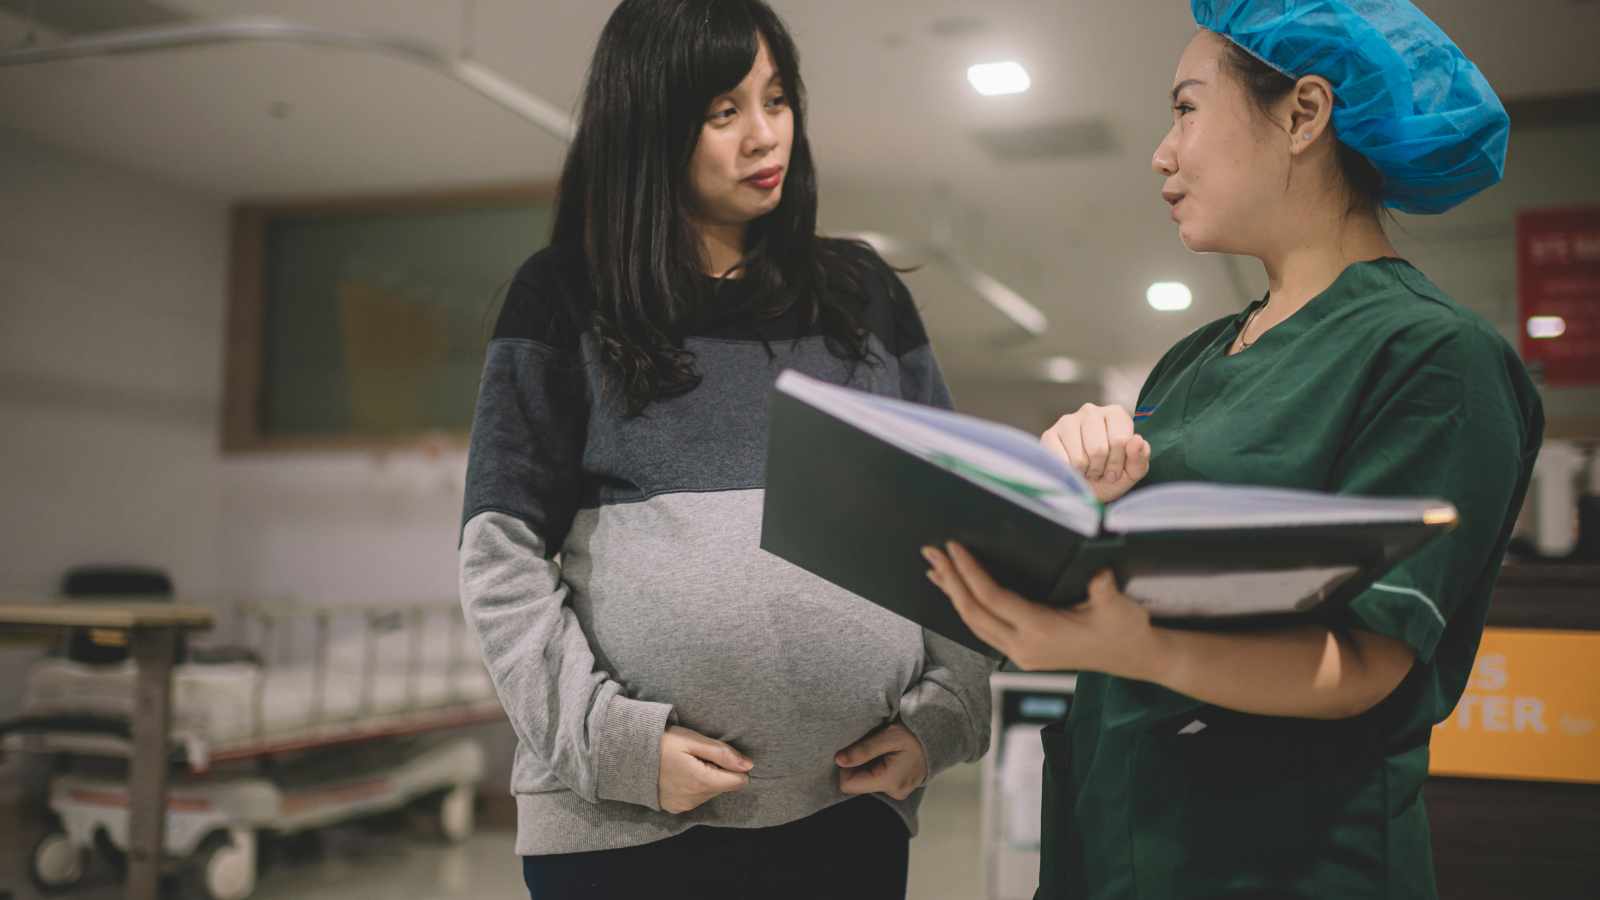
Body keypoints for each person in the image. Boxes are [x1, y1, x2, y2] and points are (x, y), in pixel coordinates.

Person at [922, 2, 1542, 897]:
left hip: (1287, 863)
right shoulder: (1195, 357)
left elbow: (1369, 660)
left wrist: (1134, 648)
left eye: (1184, 108)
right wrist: (1069, 489)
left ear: (1304, 114)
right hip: (1114, 837)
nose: (1161, 152)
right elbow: (1134, 571)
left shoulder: (1436, 358)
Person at [458, 1, 992, 897]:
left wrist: (945, 717)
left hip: (846, 811)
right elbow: (499, 557)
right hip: (622, 827)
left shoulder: (860, 295)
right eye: (722, 112)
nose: (764, 135)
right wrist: (614, 746)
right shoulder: (566, 295)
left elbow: (950, 525)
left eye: (776, 100)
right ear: (651, 125)